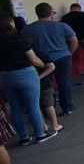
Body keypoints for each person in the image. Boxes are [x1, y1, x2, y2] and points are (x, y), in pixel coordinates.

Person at [0, 14, 58, 144]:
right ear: (10, 23)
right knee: (33, 106)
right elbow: (33, 59)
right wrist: (43, 65)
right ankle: (40, 134)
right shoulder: (19, 39)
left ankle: (24, 137)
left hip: (5, 76)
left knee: (15, 108)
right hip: (25, 73)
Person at [24, 3, 78, 115]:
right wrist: (69, 53)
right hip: (63, 57)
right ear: (51, 13)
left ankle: (49, 108)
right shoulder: (62, 26)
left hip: (42, 61)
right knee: (64, 83)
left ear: (36, 13)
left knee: (46, 85)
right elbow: (74, 41)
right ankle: (68, 107)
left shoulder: (28, 29)